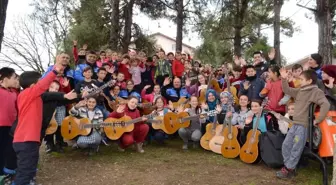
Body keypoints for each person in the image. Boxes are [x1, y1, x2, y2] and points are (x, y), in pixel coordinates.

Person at [13, 63, 64, 185]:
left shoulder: (33, 97)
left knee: (31, 166)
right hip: (25, 140)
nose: (42, 85)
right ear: (32, 85)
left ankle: (29, 181)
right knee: (24, 171)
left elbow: (49, 94)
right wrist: (55, 71)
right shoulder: (27, 93)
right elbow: (43, 85)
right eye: (39, 81)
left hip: (29, 139)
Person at [275, 68, 330, 179]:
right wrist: (284, 79)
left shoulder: (316, 92)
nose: (299, 81)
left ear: (309, 81)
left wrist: (317, 120)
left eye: (301, 79)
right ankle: (289, 167)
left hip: (303, 127)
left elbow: (326, 104)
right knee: (286, 145)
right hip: (295, 124)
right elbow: (286, 90)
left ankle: (288, 169)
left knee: (296, 147)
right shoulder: (300, 90)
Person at [0, 67, 18, 176]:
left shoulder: (14, 93)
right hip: (1, 126)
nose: (16, 80)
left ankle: (6, 170)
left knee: (8, 149)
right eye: (14, 77)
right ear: (5, 78)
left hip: (11, 126)